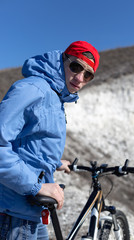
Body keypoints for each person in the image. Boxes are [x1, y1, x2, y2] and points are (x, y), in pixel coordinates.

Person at [0, 41, 100, 239]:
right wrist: (36, 186)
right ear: (62, 60)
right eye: (76, 66)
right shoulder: (33, 89)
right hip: (14, 213)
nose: (79, 78)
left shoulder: (55, 97)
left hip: (32, 210)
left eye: (87, 74)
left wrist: (55, 163)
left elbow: (30, 145)